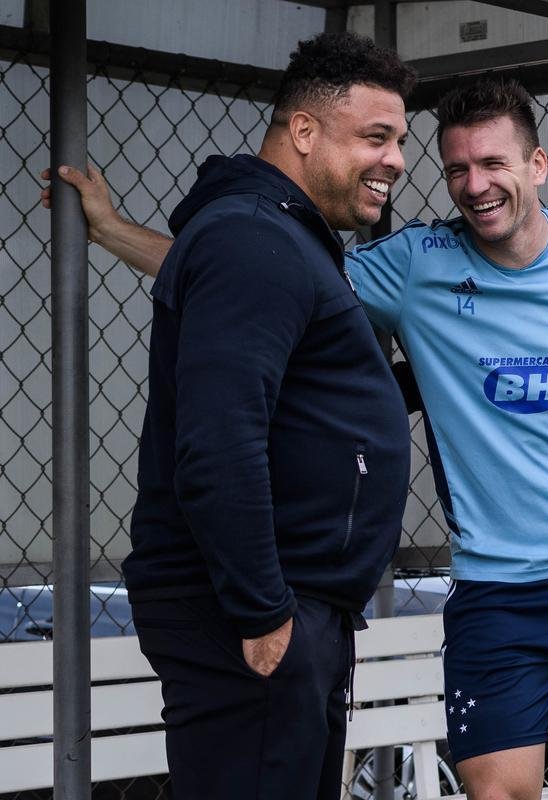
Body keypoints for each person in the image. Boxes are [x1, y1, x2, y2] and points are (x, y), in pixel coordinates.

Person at [46, 77, 548, 800]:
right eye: (457, 169)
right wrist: (111, 231)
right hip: (499, 583)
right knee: (497, 792)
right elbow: (252, 270)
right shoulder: (415, 264)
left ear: (537, 165)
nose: (475, 185)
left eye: (493, 164)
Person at [43, 33, 417, 800]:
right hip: (254, 617)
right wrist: (263, 614)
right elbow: (218, 441)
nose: (396, 161)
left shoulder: (275, 236)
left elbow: (310, 392)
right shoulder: (255, 236)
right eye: (375, 137)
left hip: (289, 612)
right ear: (304, 131)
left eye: (400, 140)